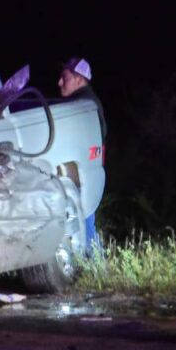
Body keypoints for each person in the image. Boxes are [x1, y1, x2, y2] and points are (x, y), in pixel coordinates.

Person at [58, 56, 106, 251]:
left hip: (80, 175)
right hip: (84, 173)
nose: (59, 82)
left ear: (80, 79)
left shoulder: (82, 105)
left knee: (84, 222)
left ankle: (95, 269)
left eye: (65, 77)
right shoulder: (86, 101)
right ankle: (94, 268)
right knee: (85, 222)